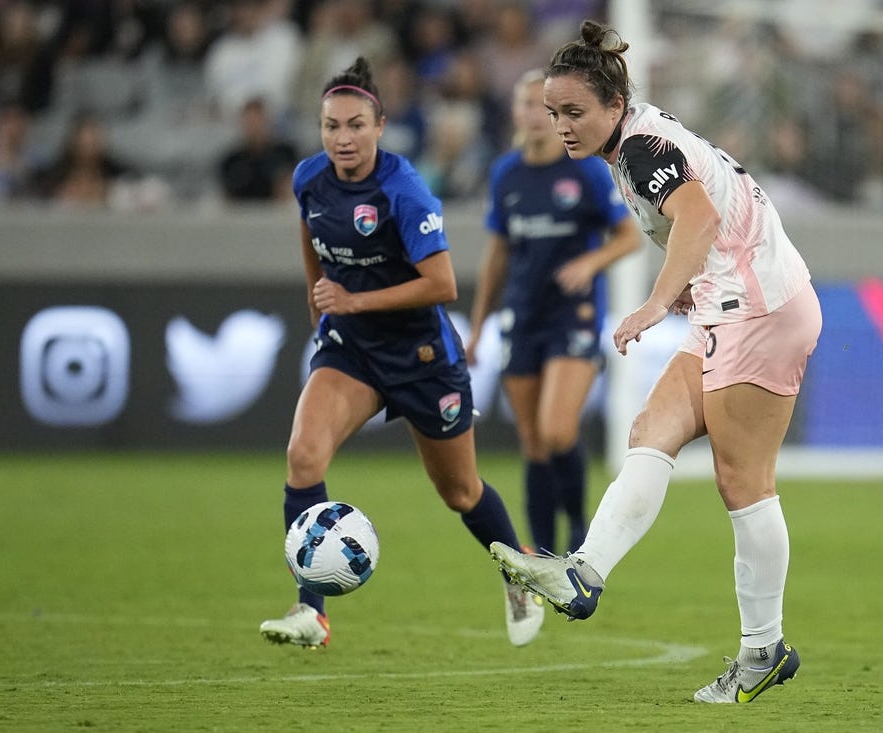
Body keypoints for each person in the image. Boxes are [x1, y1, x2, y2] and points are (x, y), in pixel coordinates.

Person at [490, 20, 822, 704]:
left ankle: (763, 649)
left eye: (574, 112)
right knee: (652, 430)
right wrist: (684, 292)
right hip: (733, 302)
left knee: (743, 480)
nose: (562, 126)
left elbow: (697, 220)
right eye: (555, 113)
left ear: (614, 104)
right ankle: (584, 572)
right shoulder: (634, 141)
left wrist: (652, 301)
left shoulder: (640, 148)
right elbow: (705, 217)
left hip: (756, 307)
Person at [259, 57, 544, 650]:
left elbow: (443, 285)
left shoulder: (403, 189)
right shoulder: (309, 178)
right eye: (332, 126)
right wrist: (322, 302)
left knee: (460, 493)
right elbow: (310, 232)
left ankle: (519, 571)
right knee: (303, 458)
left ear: (380, 126)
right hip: (352, 353)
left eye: (356, 125)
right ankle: (312, 612)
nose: (343, 138)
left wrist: (353, 301)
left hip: (421, 358)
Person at [465, 68, 640, 556]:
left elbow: (626, 236)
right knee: (534, 442)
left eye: (551, 110)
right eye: (529, 106)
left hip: (574, 316)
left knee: (558, 429)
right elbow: (497, 254)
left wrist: (590, 261)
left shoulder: (582, 168)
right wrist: (477, 328)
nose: (540, 118)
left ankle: (581, 530)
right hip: (523, 314)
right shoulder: (506, 173)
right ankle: (542, 553)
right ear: (516, 113)